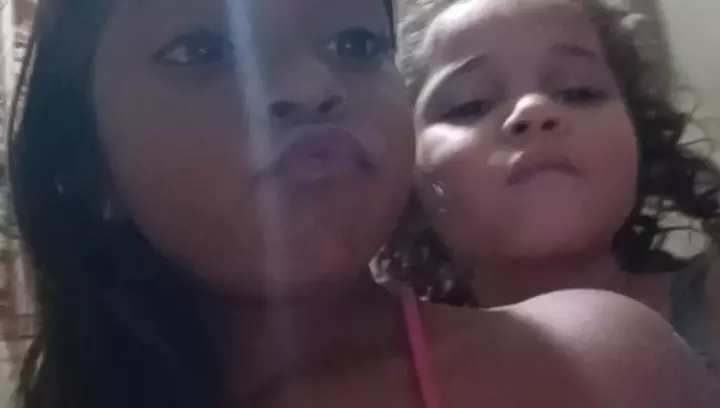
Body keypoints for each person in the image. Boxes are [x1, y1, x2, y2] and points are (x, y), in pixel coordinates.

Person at [7, 0, 717, 407]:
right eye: (201, 49)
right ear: (84, 161)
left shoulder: (595, 370)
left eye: (354, 41)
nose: (312, 86)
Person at [379, 0, 720, 374]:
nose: (534, 109)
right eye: (470, 104)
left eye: (578, 91)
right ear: (406, 171)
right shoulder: (389, 376)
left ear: (639, 136)